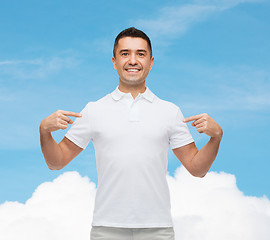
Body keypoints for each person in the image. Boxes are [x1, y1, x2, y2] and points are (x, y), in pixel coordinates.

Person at [39, 27, 223, 240]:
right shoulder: (94, 110)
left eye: (140, 54)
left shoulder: (170, 112)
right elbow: (56, 162)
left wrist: (215, 137)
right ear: (114, 61)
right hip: (106, 229)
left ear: (151, 62)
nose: (133, 60)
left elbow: (197, 168)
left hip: (158, 229)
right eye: (125, 53)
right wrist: (44, 131)